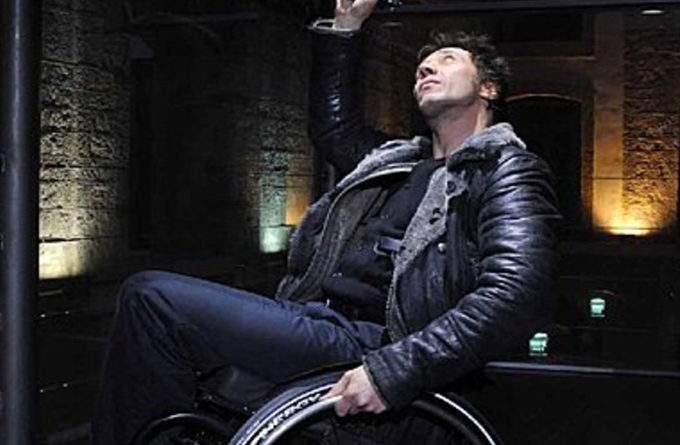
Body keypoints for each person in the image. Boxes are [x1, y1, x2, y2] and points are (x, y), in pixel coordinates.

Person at [92, 1, 560, 443]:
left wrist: (397, 369)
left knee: (151, 298)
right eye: (422, 64)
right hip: (318, 319)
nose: (426, 68)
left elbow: (517, 297)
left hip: (378, 342)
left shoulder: (505, 168)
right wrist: (345, 30)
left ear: (488, 88)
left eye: (447, 59)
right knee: (156, 320)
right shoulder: (396, 160)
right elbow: (334, 128)